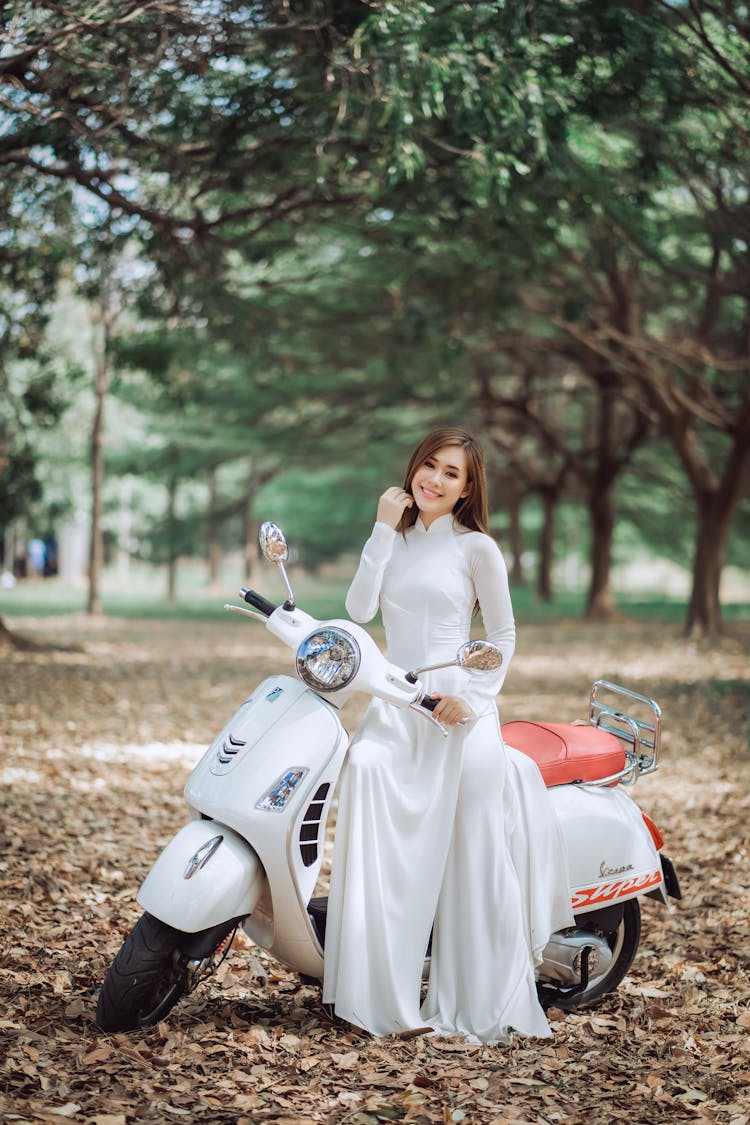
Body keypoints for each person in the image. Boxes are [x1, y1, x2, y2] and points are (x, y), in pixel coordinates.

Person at [322, 427, 574, 1044]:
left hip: (461, 709)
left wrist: (474, 697)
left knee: (472, 853)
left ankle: (477, 996)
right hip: (397, 704)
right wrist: (383, 528)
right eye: (428, 465)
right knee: (367, 772)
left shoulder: (477, 549)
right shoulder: (394, 538)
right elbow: (358, 612)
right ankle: (380, 988)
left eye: (451, 473)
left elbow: (505, 635)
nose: (433, 479)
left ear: (467, 489)